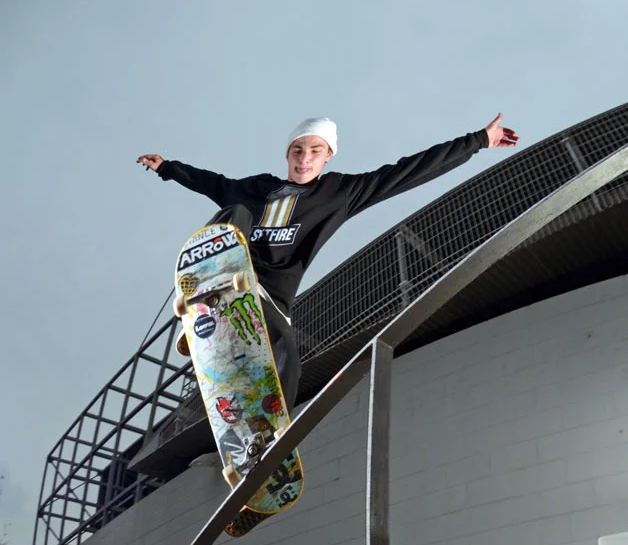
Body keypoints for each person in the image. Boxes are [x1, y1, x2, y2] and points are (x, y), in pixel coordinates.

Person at [137, 114, 518, 403]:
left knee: (288, 360)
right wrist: (168, 168)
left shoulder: (339, 193)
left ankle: (269, 445)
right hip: (236, 274)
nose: (304, 159)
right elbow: (212, 183)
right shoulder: (255, 189)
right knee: (233, 213)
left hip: (272, 299)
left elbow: (408, 171)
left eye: (315, 151)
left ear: (328, 155)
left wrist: (478, 140)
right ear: (287, 153)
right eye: (298, 151)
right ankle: (206, 303)